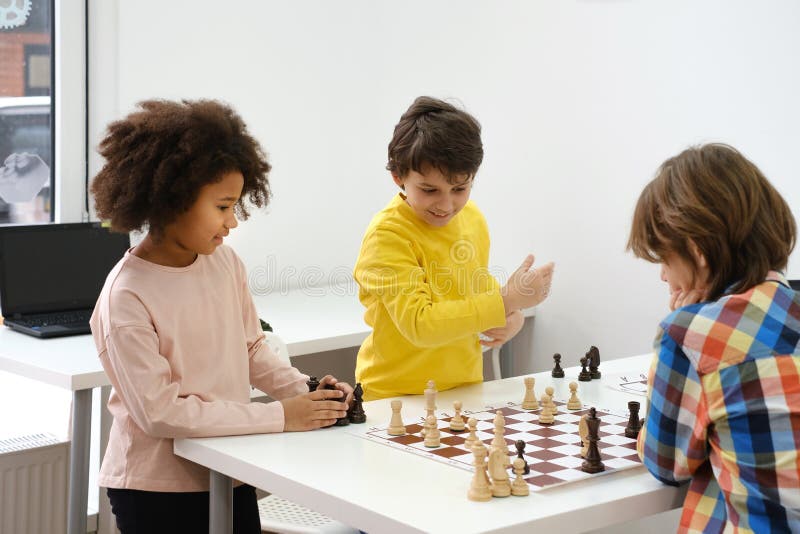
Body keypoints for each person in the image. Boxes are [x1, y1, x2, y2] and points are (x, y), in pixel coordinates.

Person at [89, 99, 353, 534]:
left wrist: (310, 394)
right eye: (222, 206)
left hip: (229, 466)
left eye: (235, 206)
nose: (232, 221)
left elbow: (251, 348)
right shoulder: (126, 296)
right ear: (172, 199)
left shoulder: (225, 263)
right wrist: (282, 416)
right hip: (157, 488)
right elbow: (161, 414)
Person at [627, 143, 799, 532]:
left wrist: (683, 321)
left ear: (696, 250)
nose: (663, 277)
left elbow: (666, 463)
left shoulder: (691, 335)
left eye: (664, 259)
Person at [353, 96, 554, 400]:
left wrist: (511, 316)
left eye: (460, 188)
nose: (446, 205)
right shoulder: (387, 235)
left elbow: (476, 296)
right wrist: (504, 301)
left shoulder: (472, 219)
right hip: (396, 397)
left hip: (465, 391)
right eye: (429, 190)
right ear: (398, 177)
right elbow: (420, 324)